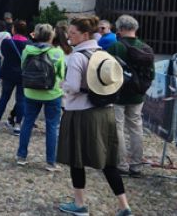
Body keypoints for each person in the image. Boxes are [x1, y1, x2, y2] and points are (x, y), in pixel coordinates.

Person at [57, 16, 131, 216]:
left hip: (81, 114)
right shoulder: (104, 54)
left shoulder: (77, 57)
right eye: (69, 32)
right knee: (108, 162)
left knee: (77, 160)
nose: (69, 36)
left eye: (73, 33)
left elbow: (72, 86)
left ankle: (80, 205)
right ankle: (124, 206)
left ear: (85, 34)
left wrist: (61, 85)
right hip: (105, 113)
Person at [107, 15, 152, 178]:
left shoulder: (115, 47)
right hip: (137, 94)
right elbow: (151, 73)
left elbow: (106, 70)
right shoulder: (145, 48)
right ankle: (136, 165)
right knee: (136, 127)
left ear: (121, 29)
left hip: (118, 93)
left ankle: (121, 164)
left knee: (118, 127)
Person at [16, 23, 66, 171]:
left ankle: (21, 156)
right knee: (52, 127)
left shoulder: (27, 50)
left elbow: (23, 67)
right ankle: (50, 162)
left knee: (27, 123)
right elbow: (61, 74)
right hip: (51, 93)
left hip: (31, 91)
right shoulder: (57, 52)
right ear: (51, 36)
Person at [0, 19, 29, 135]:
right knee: (21, 100)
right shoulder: (29, 44)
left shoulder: (7, 42)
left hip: (8, 73)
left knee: (4, 97)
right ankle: (17, 126)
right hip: (22, 75)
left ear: (14, 29)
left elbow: (3, 54)